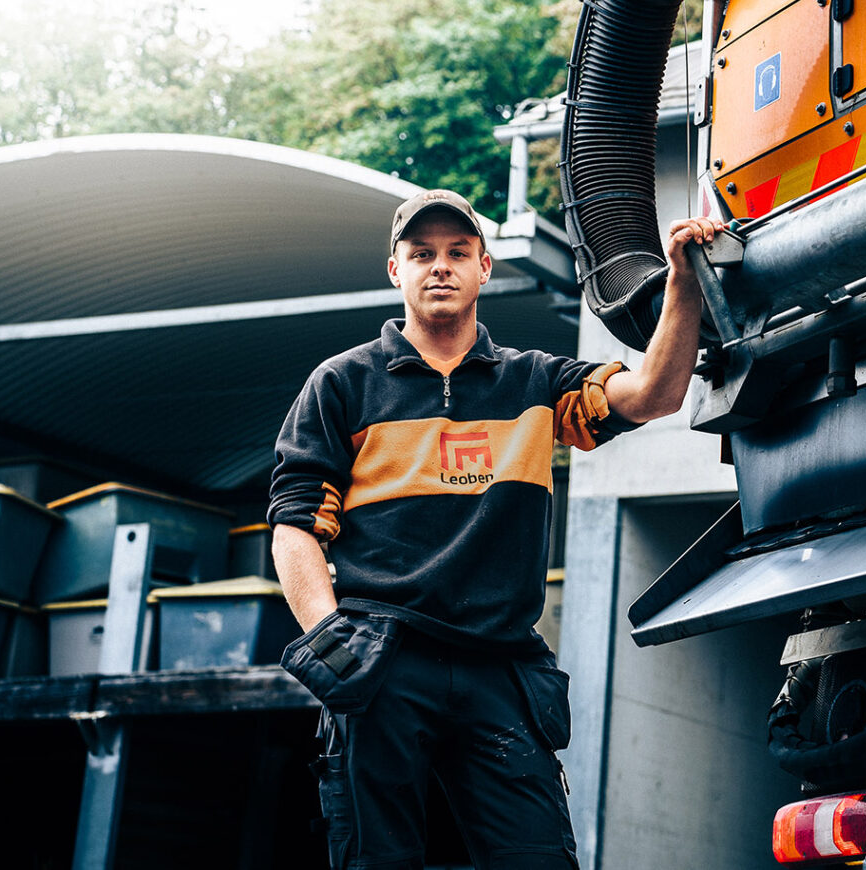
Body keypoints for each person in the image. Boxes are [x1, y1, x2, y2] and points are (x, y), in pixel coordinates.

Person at [267, 188, 715, 870]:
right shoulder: (341, 385)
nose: (438, 266)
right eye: (421, 254)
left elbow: (655, 393)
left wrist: (683, 279)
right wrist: (330, 640)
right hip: (383, 661)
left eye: (456, 253)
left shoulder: (537, 382)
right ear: (396, 271)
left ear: (485, 268)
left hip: (500, 666)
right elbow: (296, 526)